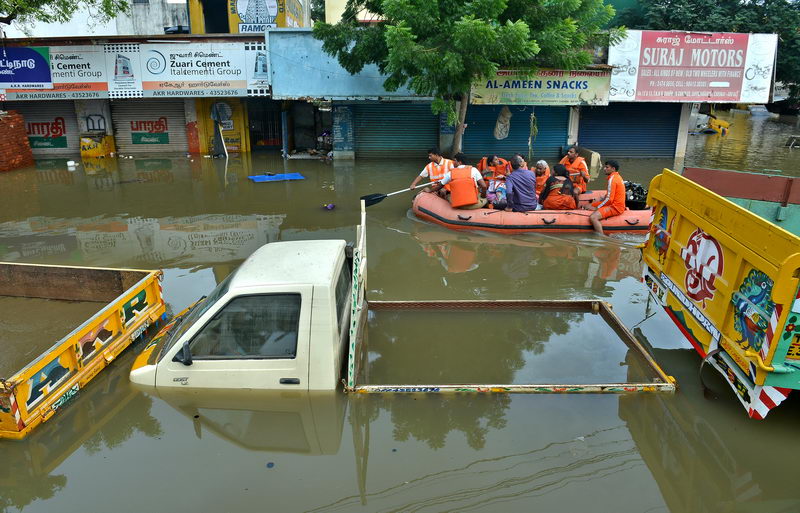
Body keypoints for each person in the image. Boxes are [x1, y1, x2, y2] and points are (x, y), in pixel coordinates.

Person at [583, 160, 626, 236]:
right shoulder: (617, 177)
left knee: (593, 217)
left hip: (615, 207)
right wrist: (594, 204)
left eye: (607, 167)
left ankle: (602, 238)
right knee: (591, 205)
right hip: (615, 204)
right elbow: (608, 196)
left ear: (613, 169)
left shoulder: (612, 179)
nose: (604, 168)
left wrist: (596, 208)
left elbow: (609, 199)